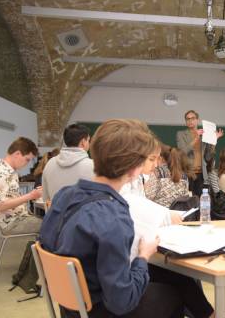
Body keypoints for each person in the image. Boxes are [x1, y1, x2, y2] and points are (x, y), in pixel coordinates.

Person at [40, 119, 214, 318]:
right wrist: (143, 256)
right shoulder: (114, 215)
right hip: (101, 310)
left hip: (72, 306)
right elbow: (121, 302)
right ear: (134, 169)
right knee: (173, 296)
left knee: (178, 278)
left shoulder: (64, 196)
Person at [0, 137, 43, 234]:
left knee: (50, 223)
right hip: (11, 223)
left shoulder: (3, 168)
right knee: (52, 226)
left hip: (16, 218)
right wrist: (31, 195)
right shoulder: (2, 173)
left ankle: (33, 248)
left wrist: (33, 195)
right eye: (27, 160)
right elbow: (1, 205)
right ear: (17, 154)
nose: (27, 164)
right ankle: (35, 248)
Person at [176, 110, 223, 196]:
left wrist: (214, 140)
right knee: (188, 200)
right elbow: (182, 152)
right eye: (187, 119)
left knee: (201, 202)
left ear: (197, 120)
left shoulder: (204, 135)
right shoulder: (181, 134)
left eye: (193, 118)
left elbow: (208, 156)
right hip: (187, 173)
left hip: (201, 174)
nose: (190, 121)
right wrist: (195, 137)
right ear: (185, 121)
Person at [42, 123, 94, 201]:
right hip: (83, 213)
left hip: (56, 212)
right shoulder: (93, 166)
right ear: (83, 142)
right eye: (88, 140)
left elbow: (45, 198)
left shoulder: (50, 163)